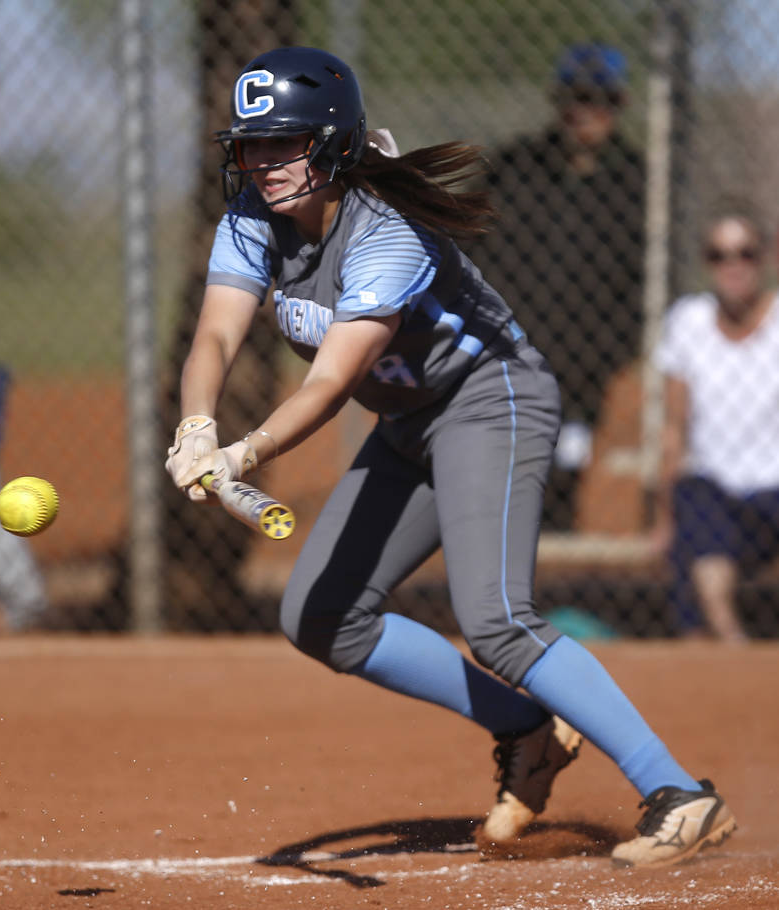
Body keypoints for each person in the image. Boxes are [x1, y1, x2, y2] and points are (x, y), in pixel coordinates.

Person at [164, 46, 734, 868]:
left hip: (489, 401)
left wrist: (245, 449)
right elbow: (215, 331)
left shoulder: (386, 235)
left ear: (332, 145)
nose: (262, 164)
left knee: (496, 620)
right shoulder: (253, 219)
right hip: (408, 425)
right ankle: (526, 731)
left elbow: (330, 382)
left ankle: (680, 792)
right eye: (251, 146)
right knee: (320, 618)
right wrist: (194, 425)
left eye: (283, 145)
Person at [469, 43, 645, 530]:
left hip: (589, 352)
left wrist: (616, 348)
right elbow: (471, 244)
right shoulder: (514, 167)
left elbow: (641, 275)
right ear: (557, 100)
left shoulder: (635, 179)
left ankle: (553, 544)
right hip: (511, 339)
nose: (586, 112)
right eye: (577, 97)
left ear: (619, 104)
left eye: (599, 99)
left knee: (568, 455)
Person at [650, 204, 779, 643]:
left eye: (745, 253)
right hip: (712, 488)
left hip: (773, 486)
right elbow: (674, 428)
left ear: (765, 258)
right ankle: (728, 638)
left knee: (699, 537)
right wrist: (662, 517)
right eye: (719, 255)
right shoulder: (688, 321)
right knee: (697, 509)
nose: (733, 266)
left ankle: (713, 645)